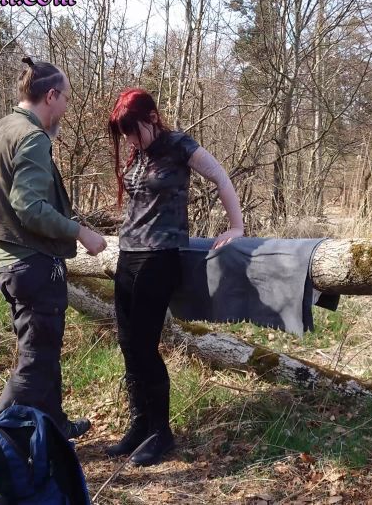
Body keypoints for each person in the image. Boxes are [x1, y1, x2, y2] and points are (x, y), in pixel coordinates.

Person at [0, 56, 107, 439]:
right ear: (50, 95)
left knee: (43, 348)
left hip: (1, 262)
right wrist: (80, 232)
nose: (66, 107)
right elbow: (29, 207)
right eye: (65, 98)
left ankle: (52, 425)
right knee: (35, 359)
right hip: (29, 264)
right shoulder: (32, 138)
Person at [106, 88, 244, 466]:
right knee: (126, 344)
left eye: (133, 130)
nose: (130, 139)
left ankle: (160, 433)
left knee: (144, 345)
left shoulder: (178, 144)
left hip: (160, 256)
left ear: (151, 117)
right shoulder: (138, 153)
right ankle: (139, 425)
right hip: (129, 254)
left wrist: (236, 227)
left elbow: (220, 176)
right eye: (125, 133)